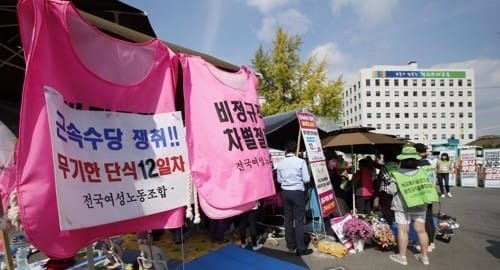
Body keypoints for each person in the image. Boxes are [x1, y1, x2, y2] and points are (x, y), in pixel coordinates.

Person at [387, 146, 431, 266]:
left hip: (402, 206)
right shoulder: (422, 172)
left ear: (402, 160)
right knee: (421, 230)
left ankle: (402, 257)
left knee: (403, 230)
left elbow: (391, 190)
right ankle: (425, 257)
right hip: (420, 204)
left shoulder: (397, 174)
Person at [275, 141, 313, 256]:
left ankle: (290, 245)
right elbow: (306, 179)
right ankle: (301, 248)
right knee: (299, 221)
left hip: (285, 193)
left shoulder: (280, 163)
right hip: (297, 192)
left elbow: (279, 180)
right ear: (296, 149)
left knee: (288, 219)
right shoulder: (301, 162)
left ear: (286, 150)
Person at [415, 143, 437, 253]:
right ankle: (431, 242)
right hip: (431, 193)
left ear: (417, 152)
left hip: (423, 195)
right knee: (429, 218)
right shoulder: (429, 164)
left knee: (424, 220)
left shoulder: (419, 166)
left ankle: (426, 244)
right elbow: (434, 180)